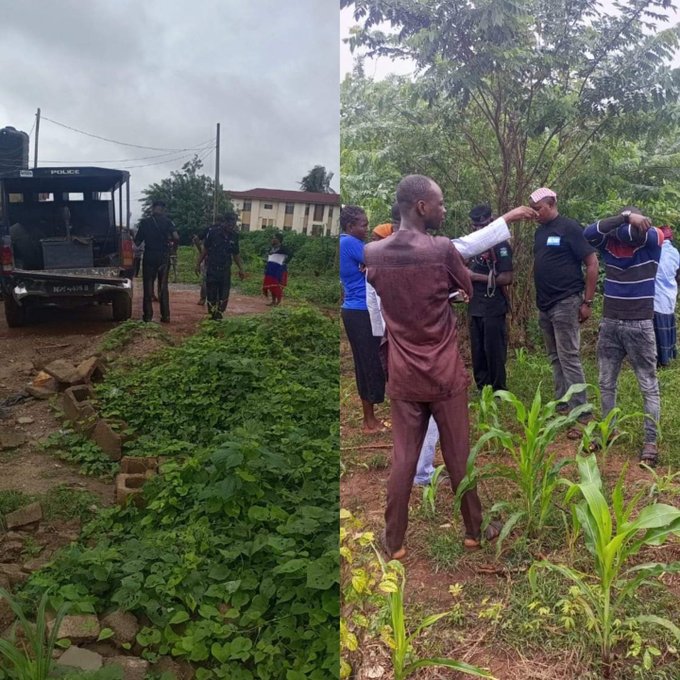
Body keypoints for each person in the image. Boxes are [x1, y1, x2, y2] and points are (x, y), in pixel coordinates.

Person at [364, 174, 537, 558]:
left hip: (403, 372)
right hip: (443, 371)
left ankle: (394, 542)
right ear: (422, 207)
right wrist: (448, 295)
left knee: (404, 457)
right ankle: (474, 530)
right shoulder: (441, 249)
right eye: (439, 204)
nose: (443, 209)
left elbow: (383, 296)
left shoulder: (372, 255)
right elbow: (467, 289)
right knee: (458, 454)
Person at [584, 209, 663, 467]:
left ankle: (650, 443)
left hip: (639, 323)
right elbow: (588, 232)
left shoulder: (650, 244)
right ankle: (608, 432)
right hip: (610, 323)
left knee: (647, 385)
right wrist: (627, 216)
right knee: (606, 382)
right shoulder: (612, 245)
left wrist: (625, 222)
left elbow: (654, 234)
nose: (625, 241)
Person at [530, 187, 598, 437]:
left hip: (566, 302)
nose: (535, 213)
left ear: (552, 203)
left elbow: (592, 263)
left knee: (569, 356)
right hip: (545, 305)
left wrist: (587, 302)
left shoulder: (569, 228)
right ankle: (562, 404)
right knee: (554, 356)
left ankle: (582, 414)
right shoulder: (540, 232)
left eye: (539, 208)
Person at [340, 205, 386, 433]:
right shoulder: (349, 243)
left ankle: (370, 417)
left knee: (367, 362)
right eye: (363, 225)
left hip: (357, 310)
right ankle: (369, 421)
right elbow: (382, 258)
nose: (367, 229)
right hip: (361, 311)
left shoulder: (349, 243)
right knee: (368, 362)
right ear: (350, 226)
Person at [466, 204, 513, 391]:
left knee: (494, 349)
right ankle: (482, 386)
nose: (479, 230)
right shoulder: (472, 245)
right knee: (477, 349)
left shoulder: (500, 245)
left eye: (483, 226)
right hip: (475, 304)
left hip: (493, 304)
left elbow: (507, 278)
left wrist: (474, 277)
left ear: (491, 222)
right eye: (476, 227)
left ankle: (498, 388)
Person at [134, 200, 179, 323]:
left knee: (148, 287)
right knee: (163, 287)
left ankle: (148, 316)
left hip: (149, 256)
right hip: (164, 257)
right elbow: (176, 237)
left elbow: (137, 242)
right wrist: (173, 251)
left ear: (152, 208)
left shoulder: (145, 223)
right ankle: (166, 316)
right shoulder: (168, 222)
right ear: (163, 209)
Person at [196, 213, 246, 320]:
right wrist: (198, 264)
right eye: (229, 223)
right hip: (212, 268)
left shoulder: (234, 236)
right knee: (212, 294)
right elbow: (205, 250)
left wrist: (241, 269)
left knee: (224, 295)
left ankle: (219, 314)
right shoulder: (213, 233)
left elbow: (236, 254)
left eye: (233, 224)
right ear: (224, 222)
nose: (231, 226)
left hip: (225, 270)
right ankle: (212, 315)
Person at [653, 226, 680, 367]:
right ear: (671, 238)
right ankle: (667, 358)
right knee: (667, 326)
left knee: (656, 331)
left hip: (656, 298)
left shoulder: (655, 251)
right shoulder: (675, 253)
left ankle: (658, 360)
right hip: (669, 296)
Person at [262, 233, 290, 306]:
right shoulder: (271, 248)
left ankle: (278, 301)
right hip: (270, 269)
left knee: (277, 285)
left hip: (278, 269)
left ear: (279, 240)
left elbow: (290, 256)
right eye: (272, 238)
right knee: (271, 285)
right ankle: (273, 301)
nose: (272, 239)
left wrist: (284, 263)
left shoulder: (283, 248)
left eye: (274, 238)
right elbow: (269, 258)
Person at [192, 231, 207, 305]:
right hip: (207, 258)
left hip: (207, 257)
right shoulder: (209, 230)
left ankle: (203, 298)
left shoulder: (209, 230)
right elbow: (196, 239)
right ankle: (203, 298)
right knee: (205, 279)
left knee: (205, 279)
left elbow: (196, 239)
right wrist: (201, 251)